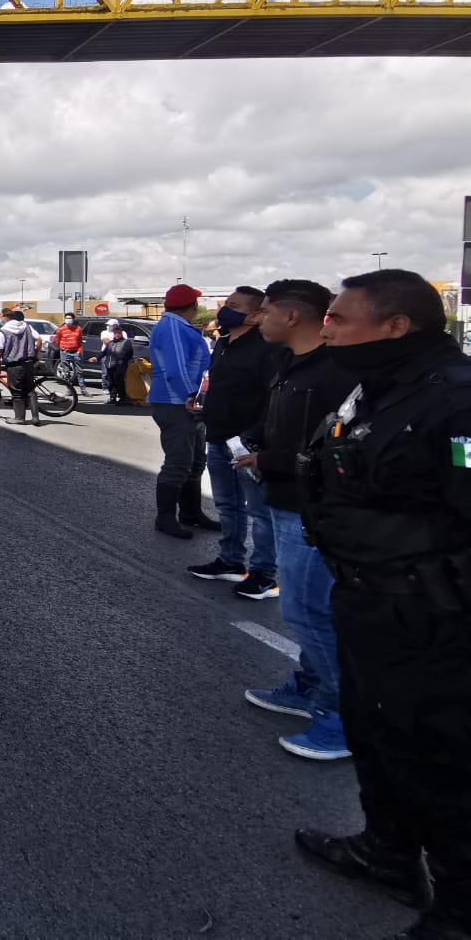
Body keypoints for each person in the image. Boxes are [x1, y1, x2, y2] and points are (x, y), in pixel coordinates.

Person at [291, 269, 471, 938]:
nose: (328, 327)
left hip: (433, 620)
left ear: (396, 326)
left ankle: (458, 910)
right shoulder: (380, 388)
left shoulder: (456, 401)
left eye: (340, 318)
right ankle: (387, 852)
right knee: (377, 737)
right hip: (368, 603)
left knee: (441, 762)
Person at [237, 279, 356, 761]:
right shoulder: (291, 364)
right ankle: (309, 687)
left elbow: (335, 450)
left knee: (309, 613)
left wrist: (271, 462)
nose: (256, 318)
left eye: (264, 311)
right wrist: (255, 444)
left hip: (313, 508)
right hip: (285, 498)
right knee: (305, 611)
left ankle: (343, 716)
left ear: (291, 316)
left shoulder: (336, 372)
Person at [188, 286, 281, 599]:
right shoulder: (224, 342)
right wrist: (202, 405)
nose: (222, 310)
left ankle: (264, 574)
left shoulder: (267, 347)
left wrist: (253, 437)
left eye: (232, 305)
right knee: (227, 505)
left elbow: (274, 398)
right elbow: (220, 385)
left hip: (248, 443)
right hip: (218, 435)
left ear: (255, 315)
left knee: (259, 511)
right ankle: (231, 562)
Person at [148, 284, 215, 539]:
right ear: (192, 306)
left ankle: (191, 512)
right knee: (179, 462)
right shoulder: (173, 327)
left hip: (185, 401)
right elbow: (176, 369)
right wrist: (191, 396)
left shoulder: (179, 326)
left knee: (196, 461)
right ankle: (165, 518)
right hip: (176, 402)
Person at [0, 309, 41, 426]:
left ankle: (19, 417)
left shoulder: (3, 331)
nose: (0, 319)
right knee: (30, 390)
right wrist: (36, 354)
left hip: (14, 365)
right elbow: (38, 338)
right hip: (28, 363)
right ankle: (35, 417)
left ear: (5, 317)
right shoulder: (27, 326)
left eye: (1, 317)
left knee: (17, 392)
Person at [103, 322, 135, 405]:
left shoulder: (125, 342)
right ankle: (112, 397)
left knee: (119, 382)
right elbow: (104, 352)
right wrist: (96, 358)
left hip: (120, 365)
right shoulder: (111, 343)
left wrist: (122, 360)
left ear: (121, 334)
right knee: (111, 382)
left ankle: (122, 398)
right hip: (110, 364)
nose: (116, 335)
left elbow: (129, 354)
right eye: (115, 333)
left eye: (118, 333)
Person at [54, 312, 85, 390]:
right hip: (65, 352)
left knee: (79, 370)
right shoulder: (61, 329)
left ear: (73, 319)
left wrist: (79, 350)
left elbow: (80, 340)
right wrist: (62, 348)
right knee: (66, 371)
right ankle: (69, 389)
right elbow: (57, 340)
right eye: (67, 318)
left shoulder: (78, 329)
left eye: (70, 318)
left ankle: (83, 389)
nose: (68, 320)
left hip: (76, 352)